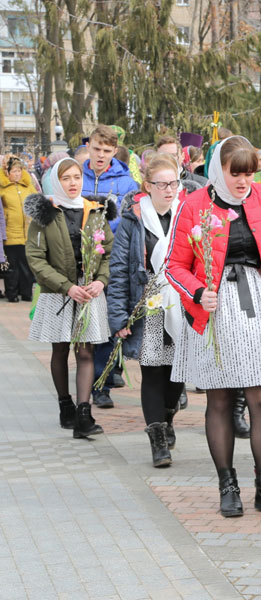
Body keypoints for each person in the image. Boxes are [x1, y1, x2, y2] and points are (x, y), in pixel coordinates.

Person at [165, 136, 261, 517]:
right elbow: (174, 265)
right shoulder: (194, 204)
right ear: (217, 169)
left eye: (249, 173)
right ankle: (227, 484)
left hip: (259, 302)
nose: (243, 181)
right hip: (215, 307)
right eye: (234, 173)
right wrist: (198, 290)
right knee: (220, 399)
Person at [107, 154, 198, 467]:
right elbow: (119, 270)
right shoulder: (133, 220)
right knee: (153, 371)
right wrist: (119, 317)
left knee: (176, 374)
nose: (170, 189)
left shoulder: (188, 214)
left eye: (174, 183)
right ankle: (158, 439)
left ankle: (168, 417)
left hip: (182, 305)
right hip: (149, 306)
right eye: (162, 184)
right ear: (147, 186)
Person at [25, 158, 115, 438]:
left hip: (89, 292)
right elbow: (36, 259)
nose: (73, 183)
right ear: (56, 181)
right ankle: (66, 404)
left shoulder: (96, 212)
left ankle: (84, 413)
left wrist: (100, 281)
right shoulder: (46, 214)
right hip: (59, 292)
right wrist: (66, 287)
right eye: (66, 178)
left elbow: (106, 254)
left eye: (77, 177)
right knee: (61, 350)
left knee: (86, 352)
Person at [82, 125, 140, 409]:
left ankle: (100, 385)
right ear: (89, 146)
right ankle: (85, 379)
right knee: (83, 329)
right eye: (96, 149)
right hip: (82, 263)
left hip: (113, 263)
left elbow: (131, 225)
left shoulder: (127, 183)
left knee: (106, 326)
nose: (101, 155)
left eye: (107, 151)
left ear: (114, 151)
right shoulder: (76, 176)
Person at [1, 156, 38, 302]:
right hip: (10, 234)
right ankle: (12, 294)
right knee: (11, 267)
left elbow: (36, 203)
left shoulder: (28, 186)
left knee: (27, 266)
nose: (17, 174)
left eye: (19, 171)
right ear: (7, 172)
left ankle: (26, 292)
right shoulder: (2, 188)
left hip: (27, 234)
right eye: (14, 171)